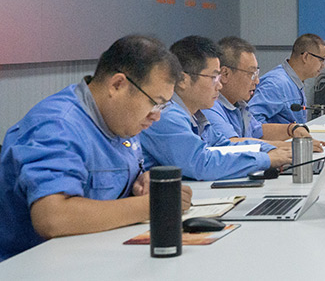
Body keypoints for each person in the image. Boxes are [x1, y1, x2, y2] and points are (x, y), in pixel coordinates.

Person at [0, 35, 191, 261]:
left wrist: (141, 183)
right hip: (31, 264)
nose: (156, 116)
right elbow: (53, 217)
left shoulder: (118, 122)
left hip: (93, 253)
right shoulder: (58, 125)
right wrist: (153, 205)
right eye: (155, 103)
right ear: (117, 85)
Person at [139, 36, 292, 181]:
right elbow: (202, 164)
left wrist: (269, 150)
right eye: (213, 78)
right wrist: (266, 159)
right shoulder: (167, 116)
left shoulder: (196, 116)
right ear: (182, 80)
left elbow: (225, 146)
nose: (219, 85)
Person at [204, 36, 322, 151]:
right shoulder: (210, 107)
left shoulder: (238, 105)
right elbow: (232, 145)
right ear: (225, 74)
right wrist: (292, 147)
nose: (257, 81)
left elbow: (258, 131)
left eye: (256, 73)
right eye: (251, 74)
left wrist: (292, 129)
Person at [249, 33, 325, 125]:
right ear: (306, 57)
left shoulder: (294, 82)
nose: (323, 65)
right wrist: (285, 131)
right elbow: (251, 120)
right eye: (321, 60)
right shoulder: (276, 84)